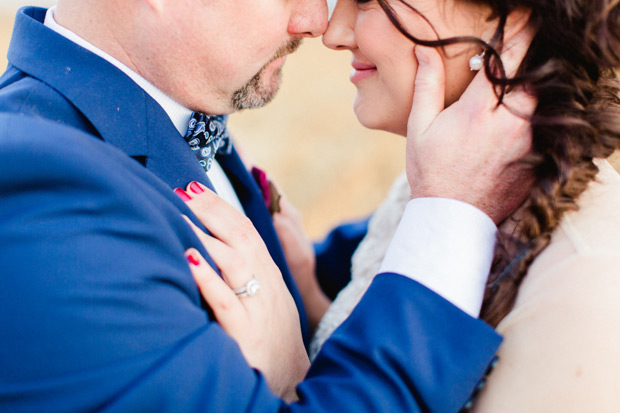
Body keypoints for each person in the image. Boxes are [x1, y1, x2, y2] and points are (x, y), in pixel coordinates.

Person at [0, 0, 532, 411]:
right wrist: (450, 211)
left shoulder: (146, 115)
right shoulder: (41, 199)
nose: (316, 22)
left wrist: (312, 282)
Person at [273, 0, 620, 409]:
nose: (333, 34)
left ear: (512, 17)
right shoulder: (435, 185)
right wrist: (305, 299)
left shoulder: (584, 289)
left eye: (367, 1)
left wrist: (279, 375)